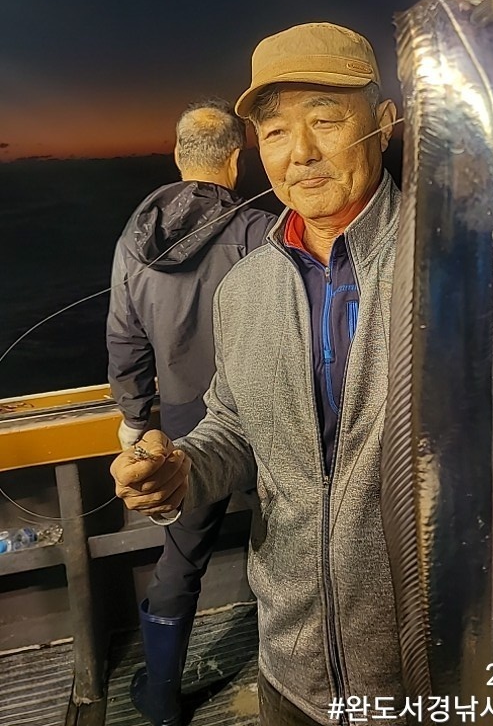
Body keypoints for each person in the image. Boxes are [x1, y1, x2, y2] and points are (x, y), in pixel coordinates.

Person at [110, 0, 493, 726]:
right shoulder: (243, 286)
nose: (300, 152)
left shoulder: (449, 245)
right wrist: (183, 468)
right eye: (275, 131)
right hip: (292, 673)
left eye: (324, 119)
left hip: (446, 669)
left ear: (384, 122)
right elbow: (235, 426)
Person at [106, 97, 276, 726]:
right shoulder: (263, 230)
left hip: (182, 422)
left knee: (181, 557)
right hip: (267, 414)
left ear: (179, 155)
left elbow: (125, 337)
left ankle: (159, 698)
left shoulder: (134, 237)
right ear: (236, 159)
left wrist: (135, 418)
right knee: (292, 535)